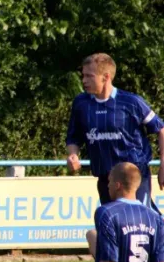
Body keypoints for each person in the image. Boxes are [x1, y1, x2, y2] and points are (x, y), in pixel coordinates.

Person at [0, 162, 164, 262]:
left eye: (109, 182)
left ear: (117, 185)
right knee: (91, 234)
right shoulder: (155, 217)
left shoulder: (107, 212)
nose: (107, 186)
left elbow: (109, 260)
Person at [66, 53, 164, 210]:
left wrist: (163, 164)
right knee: (115, 225)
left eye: (89, 76)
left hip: (133, 176)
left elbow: (160, 128)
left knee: (140, 220)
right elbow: (73, 137)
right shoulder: (81, 104)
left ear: (105, 77)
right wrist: (73, 155)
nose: (84, 81)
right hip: (106, 179)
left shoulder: (131, 102)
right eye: (83, 76)